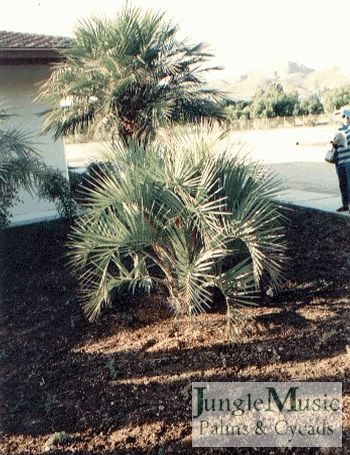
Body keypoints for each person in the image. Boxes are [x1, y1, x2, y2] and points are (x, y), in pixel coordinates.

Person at [333, 108, 350, 212]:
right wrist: (334, 142)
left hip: (348, 162)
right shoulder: (339, 130)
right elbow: (334, 143)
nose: (344, 119)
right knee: (342, 185)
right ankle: (345, 205)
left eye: (346, 117)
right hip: (339, 162)